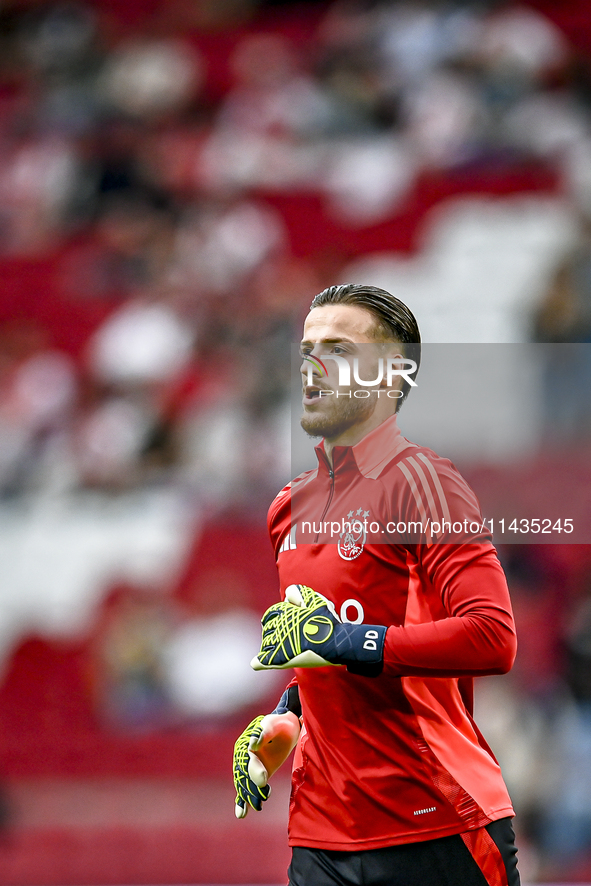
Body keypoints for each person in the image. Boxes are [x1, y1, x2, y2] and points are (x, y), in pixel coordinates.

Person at [233, 283, 521, 886]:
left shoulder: (423, 483)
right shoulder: (287, 506)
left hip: (436, 822)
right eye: (308, 347)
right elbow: (322, 646)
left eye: (337, 349)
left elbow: (492, 638)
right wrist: (286, 714)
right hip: (321, 833)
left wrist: (346, 643)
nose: (312, 365)